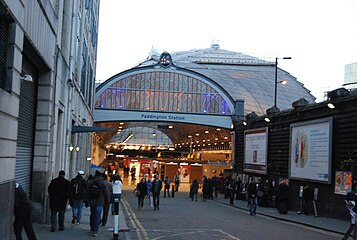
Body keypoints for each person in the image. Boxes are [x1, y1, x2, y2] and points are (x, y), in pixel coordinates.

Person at [85, 170, 110, 237]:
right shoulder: (103, 183)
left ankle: (92, 228)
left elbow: (87, 193)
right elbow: (106, 193)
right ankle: (95, 231)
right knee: (97, 216)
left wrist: (86, 201)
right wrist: (107, 201)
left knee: (92, 215)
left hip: (92, 202)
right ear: (100, 176)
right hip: (100, 202)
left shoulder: (90, 183)